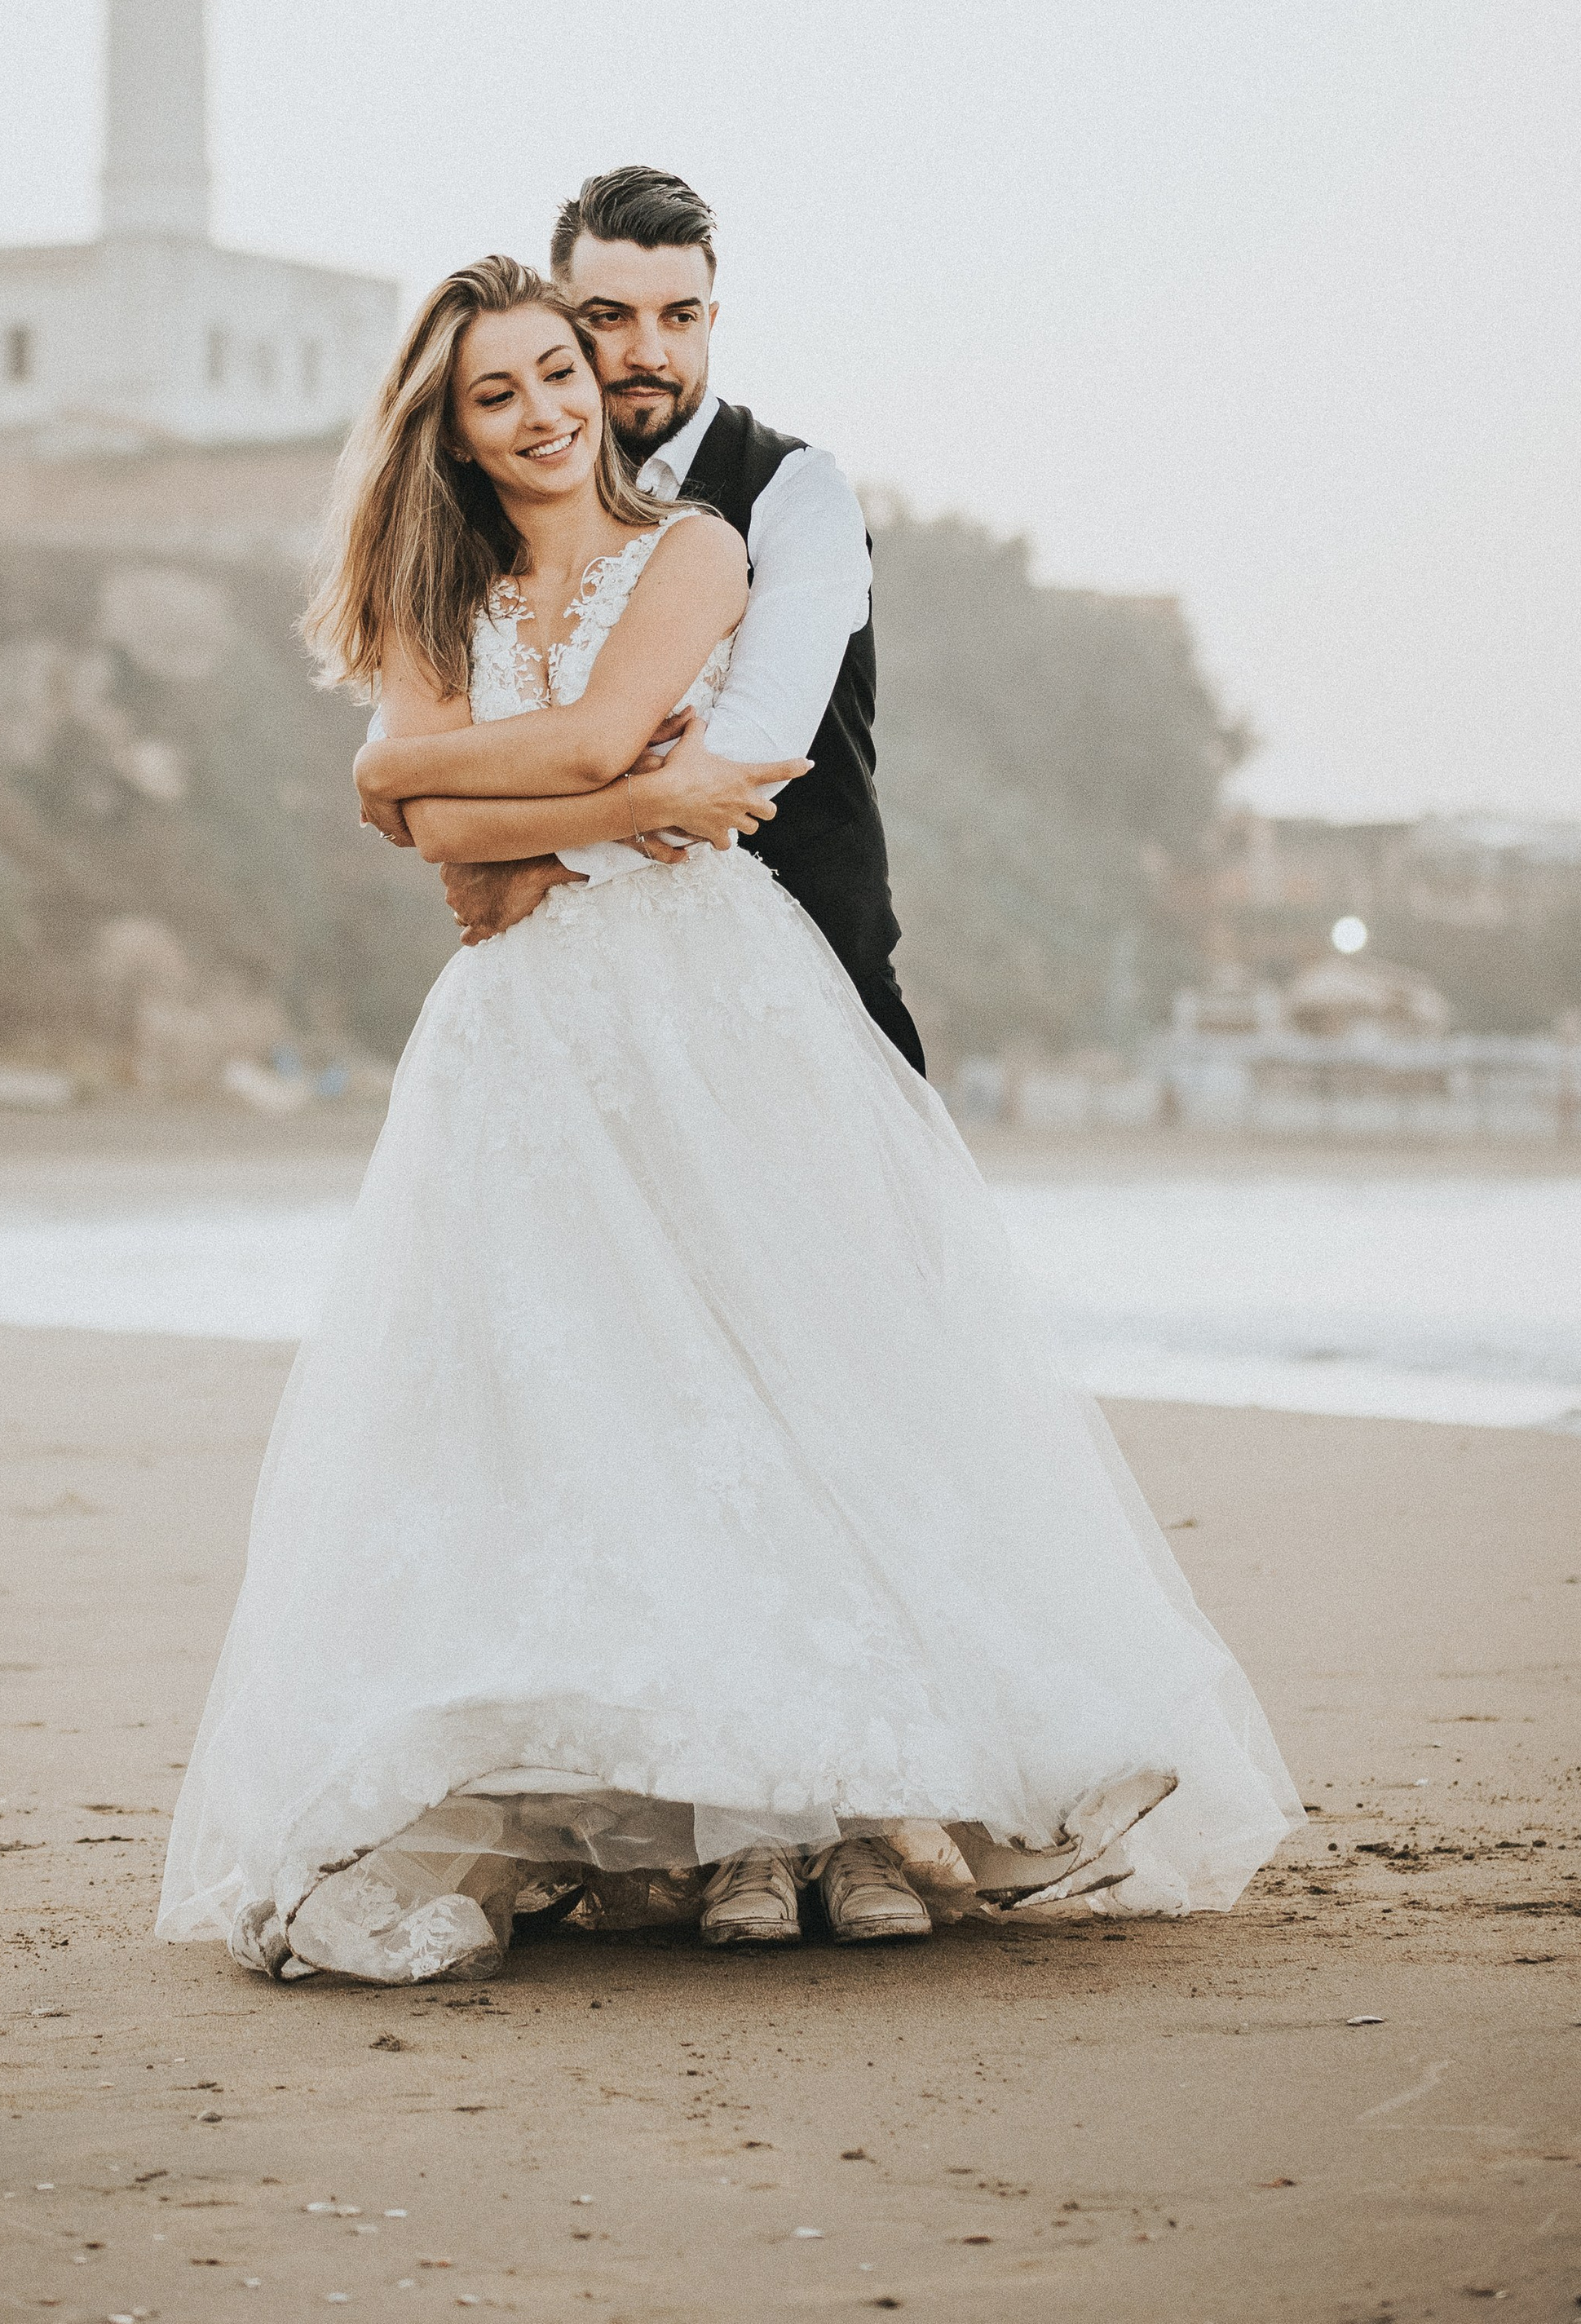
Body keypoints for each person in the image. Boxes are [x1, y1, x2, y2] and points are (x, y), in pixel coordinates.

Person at [157, 256, 1300, 1986]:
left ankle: (840, 1814)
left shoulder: (696, 548)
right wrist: (453, 787)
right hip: (526, 1039)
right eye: (499, 394)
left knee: (792, 1372)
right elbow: (453, 834)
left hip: (714, 997)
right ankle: (706, 1821)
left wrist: (448, 783)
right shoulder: (427, 588)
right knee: (577, 1400)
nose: (546, 410)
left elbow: (563, 745)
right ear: (445, 431)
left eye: (558, 370)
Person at [434, 166, 926, 1079]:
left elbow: (735, 764)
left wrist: (535, 859)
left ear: (710, 320)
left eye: (679, 317)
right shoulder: (501, 521)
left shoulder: (793, 492)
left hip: (800, 985)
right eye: (609, 319)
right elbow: (456, 760)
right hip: (564, 1009)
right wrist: (412, 788)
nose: (647, 352)